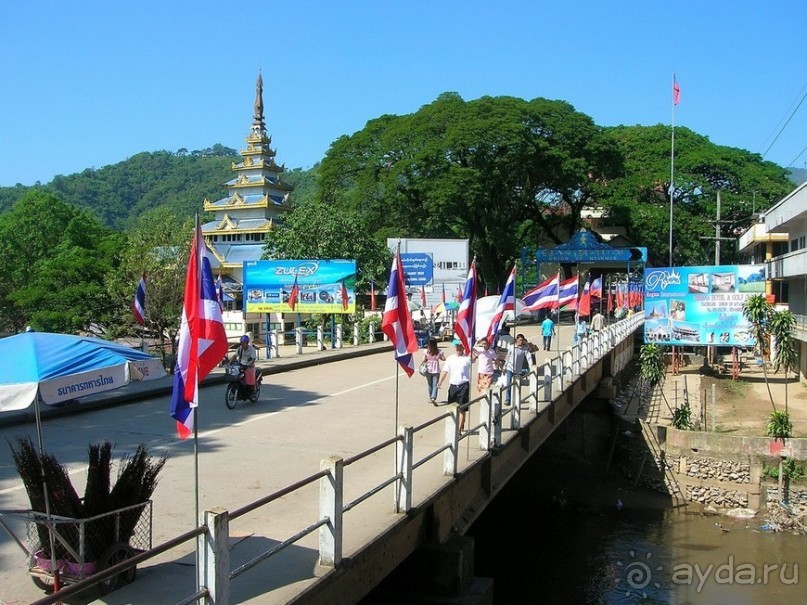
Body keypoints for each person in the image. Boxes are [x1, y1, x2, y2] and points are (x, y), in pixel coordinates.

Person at [438, 340, 473, 432]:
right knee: (452, 408)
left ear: (463, 347)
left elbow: (474, 358)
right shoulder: (450, 358)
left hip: (463, 386)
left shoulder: (467, 358)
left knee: (462, 409)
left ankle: (458, 430)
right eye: (457, 347)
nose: (459, 349)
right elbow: (445, 371)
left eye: (460, 347)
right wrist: (440, 381)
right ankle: (457, 425)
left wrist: (472, 349)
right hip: (453, 386)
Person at [503, 334, 531, 405]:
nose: (521, 342)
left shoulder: (524, 349)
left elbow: (529, 357)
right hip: (510, 368)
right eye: (520, 340)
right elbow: (507, 357)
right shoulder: (511, 347)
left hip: (518, 370)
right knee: (508, 384)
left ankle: (516, 399)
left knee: (517, 385)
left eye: (522, 340)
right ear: (516, 340)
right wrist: (505, 366)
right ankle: (507, 399)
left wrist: (532, 366)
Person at [422, 338, 445, 405]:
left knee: (429, 384)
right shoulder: (439, 351)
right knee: (435, 385)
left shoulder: (426, 351)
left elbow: (423, 360)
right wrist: (439, 357)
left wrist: (427, 359)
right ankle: (433, 397)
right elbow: (444, 359)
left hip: (428, 370)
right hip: (436, 370)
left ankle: (431, 398)